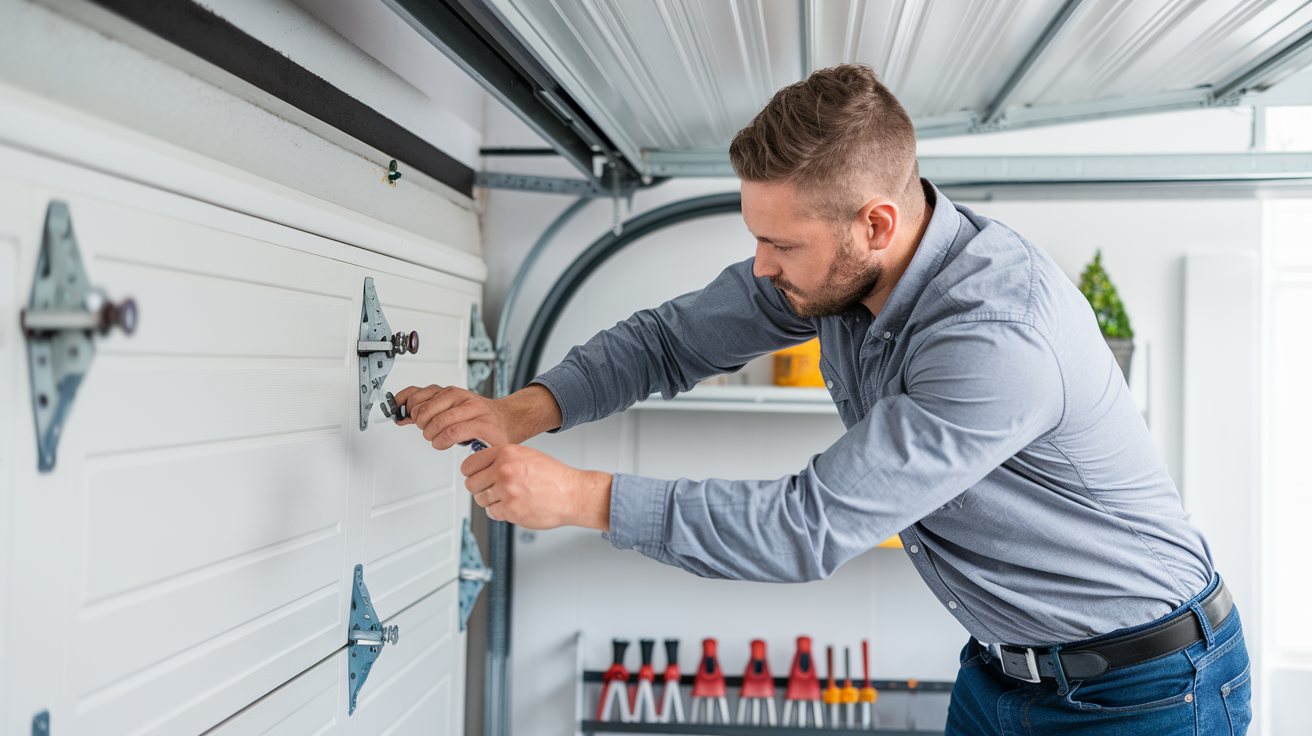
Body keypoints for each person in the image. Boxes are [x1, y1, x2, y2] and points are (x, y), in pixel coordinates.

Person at [394, 64, 1249, 735]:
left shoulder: (995, 336)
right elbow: (672, 339)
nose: (761, 265)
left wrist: (581, 498)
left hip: (1148, 696)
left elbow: (807, 526)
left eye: (778, 242)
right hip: (1003, 674)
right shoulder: (835, 276)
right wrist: (521, 411)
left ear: (875, 224)